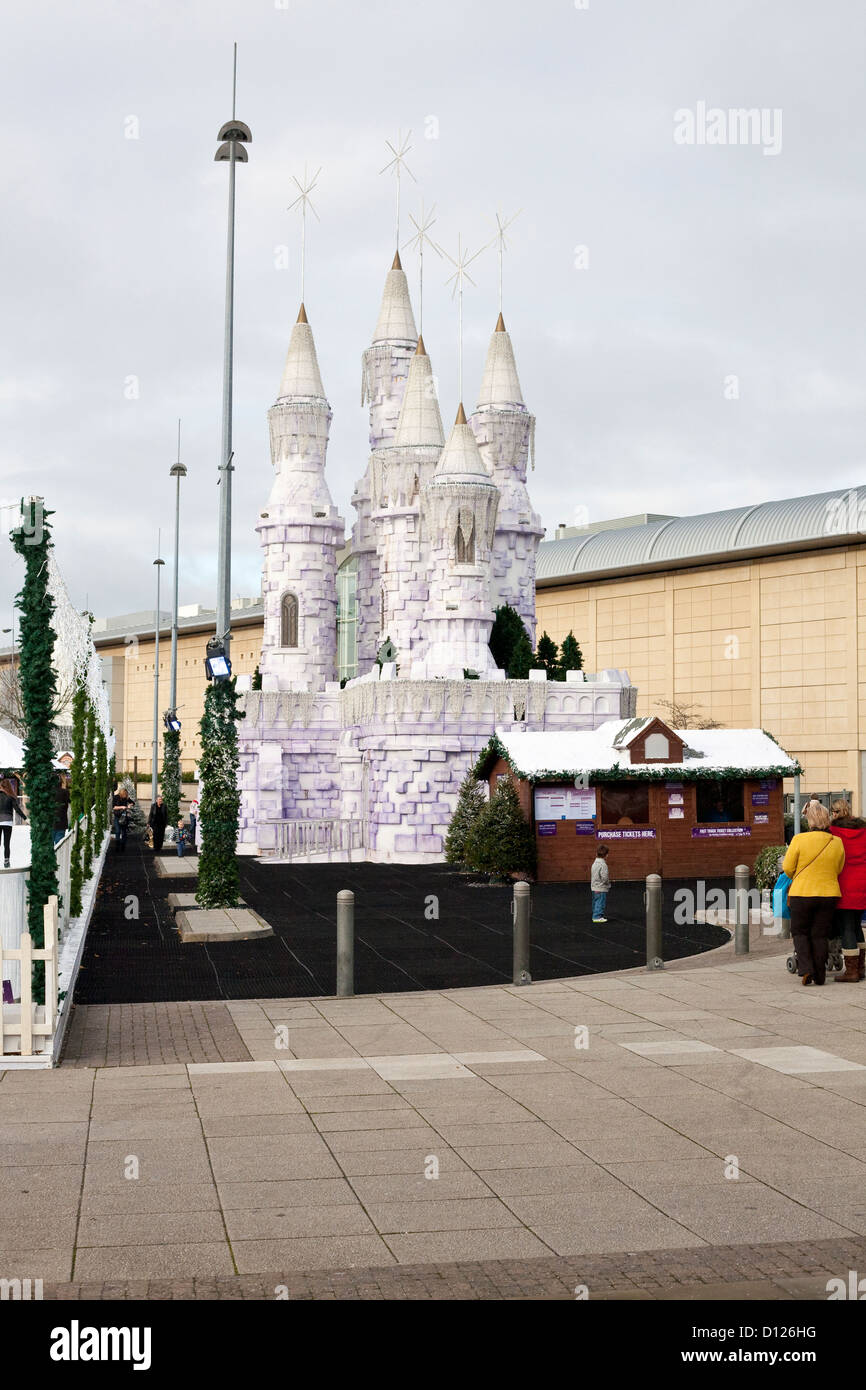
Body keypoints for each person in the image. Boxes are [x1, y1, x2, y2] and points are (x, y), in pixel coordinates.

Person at [783, 801, 845, 985]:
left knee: (800, 932)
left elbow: (788, 868)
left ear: (810, 820)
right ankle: (820, 974)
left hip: (802, 893)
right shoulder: (836, 842)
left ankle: (806, 969)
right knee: (820, 935)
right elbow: (839, 868)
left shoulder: (799, 840)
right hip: (829, 894)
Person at [829, 799, 866, 983]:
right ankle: (860, 967)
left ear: (835, 813)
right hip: (862, 883)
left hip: (844, 883)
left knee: (847, 927)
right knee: (857, 925)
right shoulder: (863, 830)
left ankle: (851, 972)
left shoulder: (833, 832)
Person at [0, 777, 27, 868]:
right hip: (7, 822)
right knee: (6, 844)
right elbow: (17, 809)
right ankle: (6, 862)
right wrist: (25, 818)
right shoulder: (11, 797)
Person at [590, 845, 611, 923]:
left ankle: (595, 914)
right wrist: (608, 884)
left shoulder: (594, 863)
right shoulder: (603, 865)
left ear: (596, 853)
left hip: (594, 887)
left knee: (596, 901)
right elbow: (605, 877)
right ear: (606, 855)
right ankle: (597, 917)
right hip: (601, 887)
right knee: (600, 902)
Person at [112, 785, 134, 853]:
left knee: (124, 833)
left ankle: (123, 846)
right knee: (118, 831)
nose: (125, 796)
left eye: (126, 795)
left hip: (124, 817)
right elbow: (114, 807)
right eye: (124, 795)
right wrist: (122, 807)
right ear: (122, 794)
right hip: (117, 816)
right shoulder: (116, 797)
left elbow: (133, 803)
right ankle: (117, 846)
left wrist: (130, 805)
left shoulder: (126, 797)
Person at [54, 771, 70, 846]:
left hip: (49, 823)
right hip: (62, 822)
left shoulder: (47, 794)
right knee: (59, 845)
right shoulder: (65, 792)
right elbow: (70, 801)